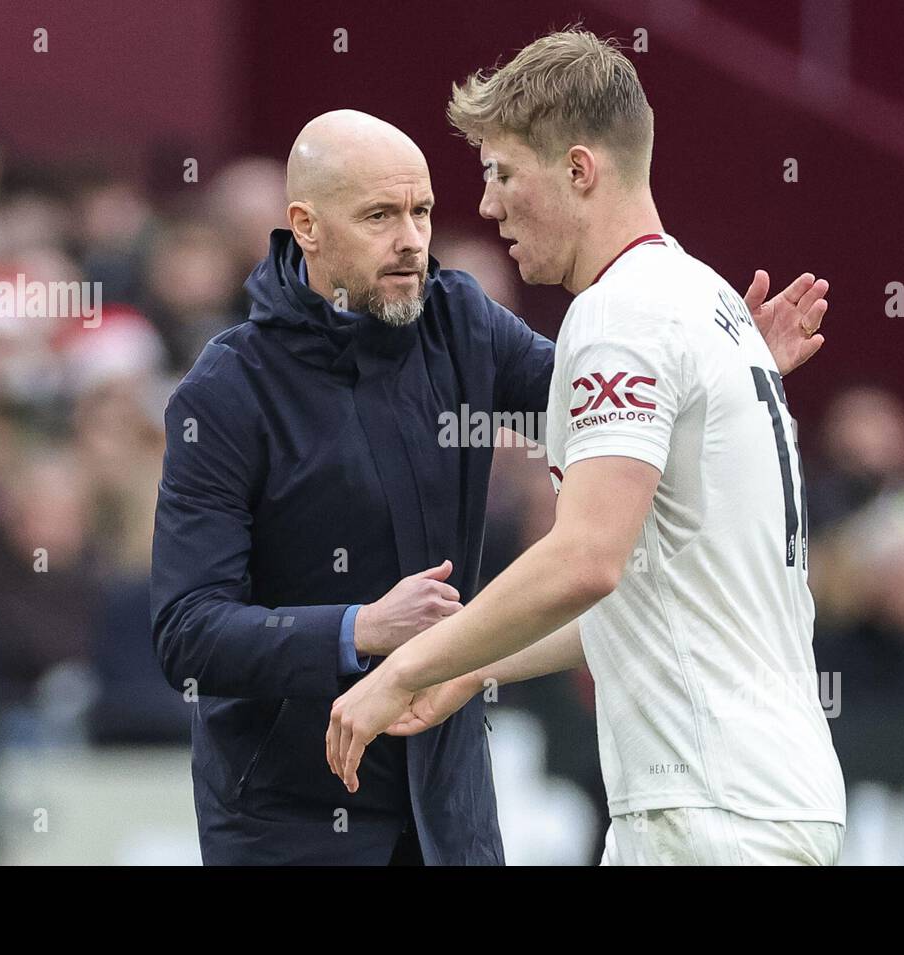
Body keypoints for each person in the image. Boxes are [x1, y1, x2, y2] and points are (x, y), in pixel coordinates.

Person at [152, 108, 824, 865]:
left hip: (451, 816)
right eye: (380, 215)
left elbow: (612, 410)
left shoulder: (459, 321)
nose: (411, 238)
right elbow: (187, 631)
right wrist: (356, 627)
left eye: (422, 210)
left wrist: (717, 377)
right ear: (305, 226)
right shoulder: (227, 390)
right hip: (291, 823)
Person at [324, 31, 844, 866]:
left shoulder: (620, 313)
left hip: (705, 807)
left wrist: (402, 666)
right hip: (762, 796)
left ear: (578, 170)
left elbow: (586, 561)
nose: (488, 207)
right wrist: (464, 668)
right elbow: (633, 589)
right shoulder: (706, 301)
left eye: (502, 174)